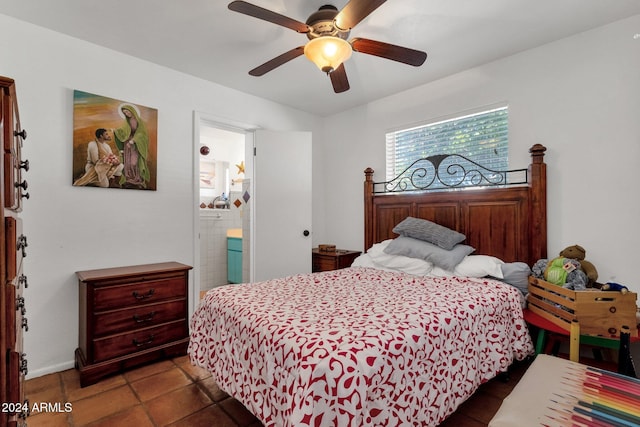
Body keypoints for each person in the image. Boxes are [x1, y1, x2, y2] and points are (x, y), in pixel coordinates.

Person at [113, 104, 150, 189]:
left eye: (127, 111)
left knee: (134, 163)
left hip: (135, 145)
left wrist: (134, 140)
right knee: (128, 163)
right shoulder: (126, 122)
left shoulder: (139, 121)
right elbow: (123, 132)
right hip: (127, 145)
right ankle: (129, 179)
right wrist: (116, 131)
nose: (126, 114)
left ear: (132, 110)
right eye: (124, 113)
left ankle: (137, 180)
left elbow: (142, 134)